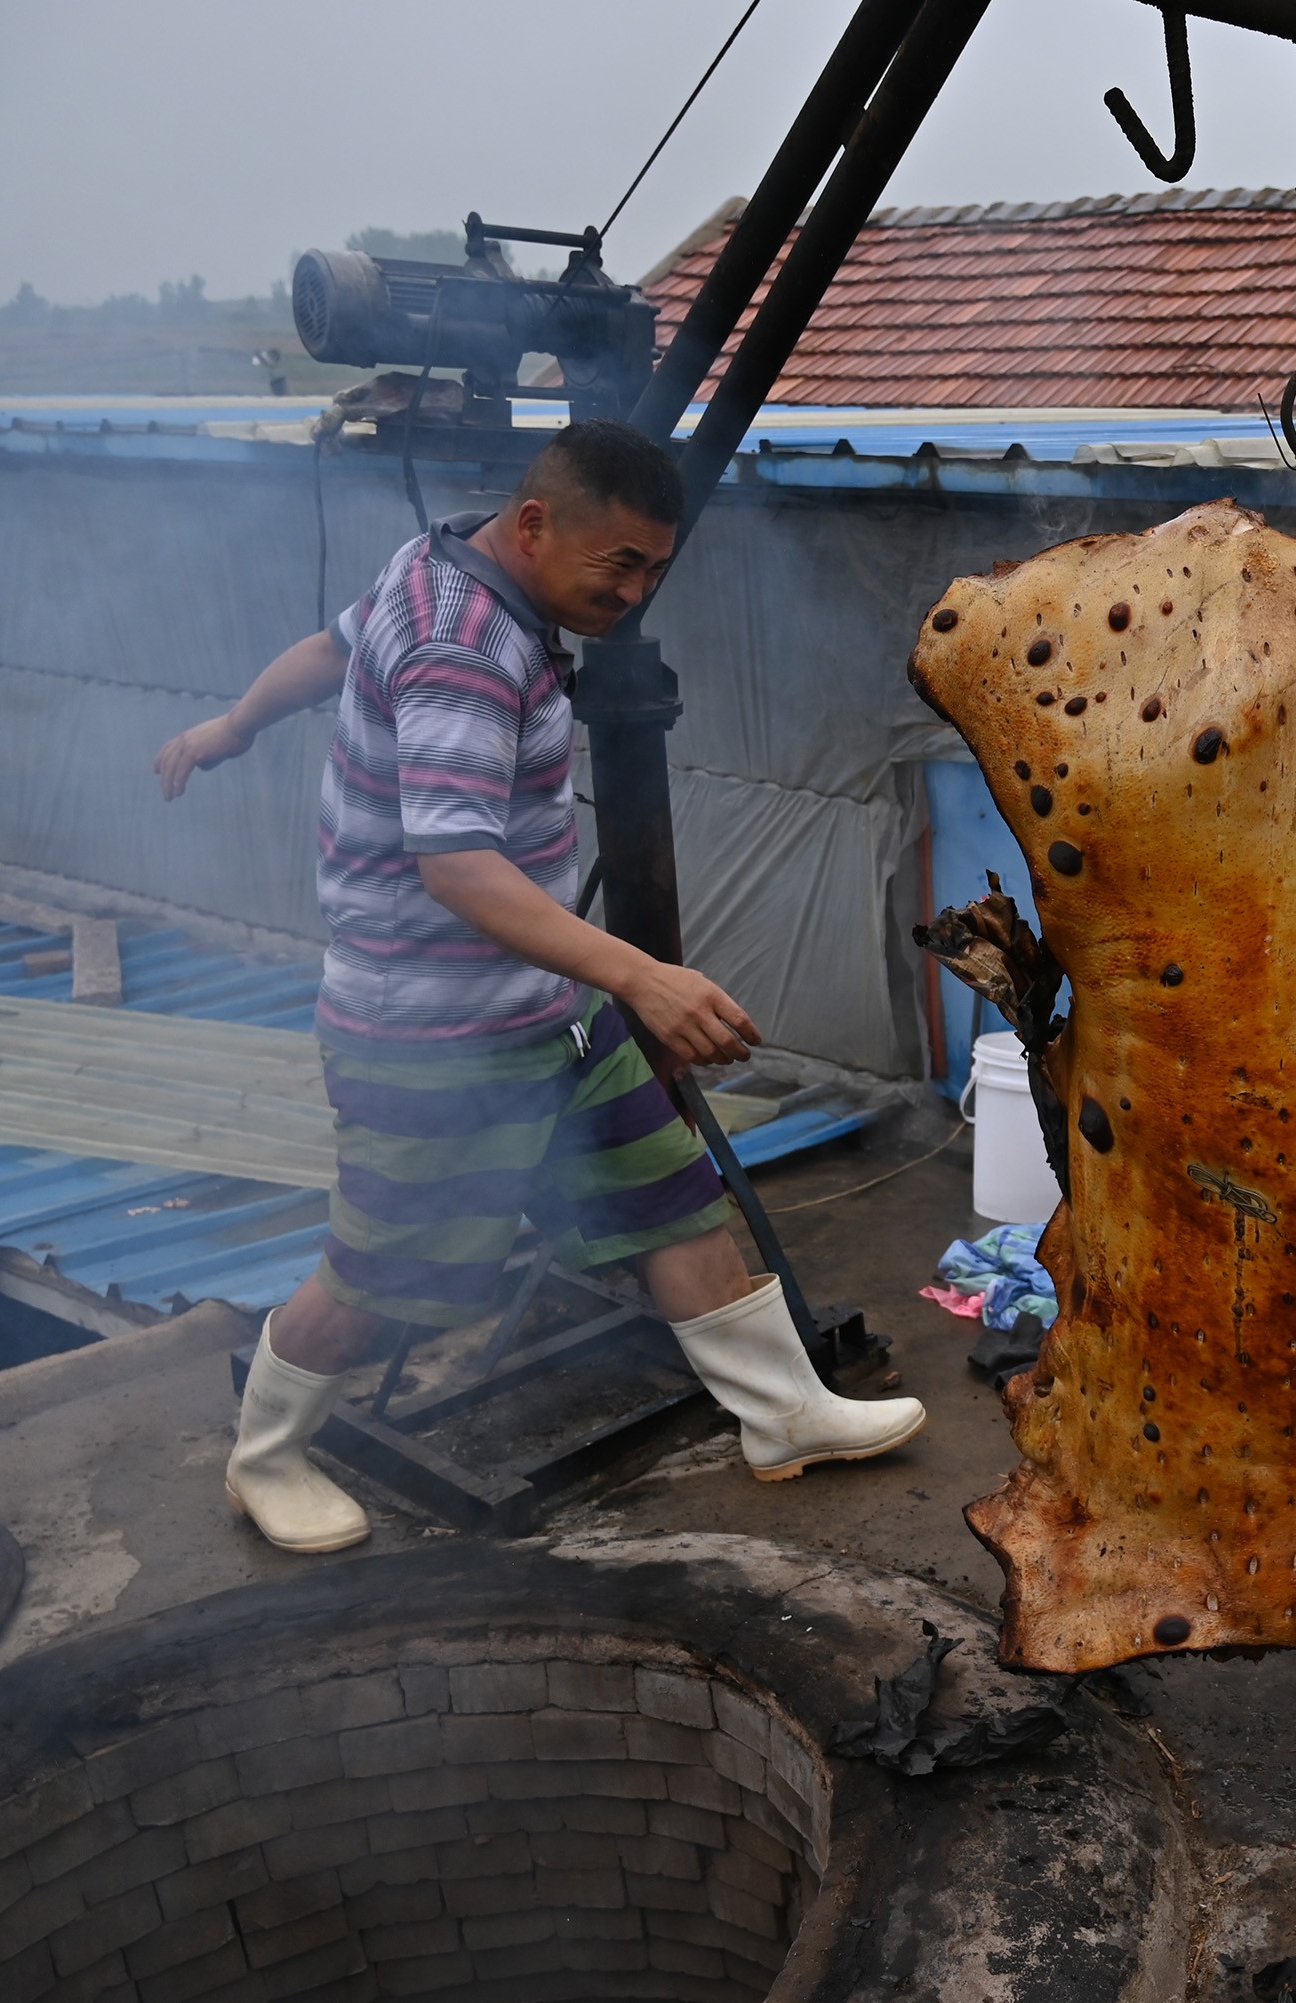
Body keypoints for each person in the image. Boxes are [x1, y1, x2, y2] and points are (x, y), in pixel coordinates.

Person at [156, 419, 922, 1554]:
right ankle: (263, 1459)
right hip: (431, 1034)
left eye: (655, 569)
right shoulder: (469, 645)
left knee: (668, 1187)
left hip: (543, 1011)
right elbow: (455, 862)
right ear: (533, 524)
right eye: (618, 564)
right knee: (380, 1265)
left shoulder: (435, 559)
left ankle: (782, 1414)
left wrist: (231, 725)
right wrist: (642, 975)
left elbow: (331, 650)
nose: (634, 592)